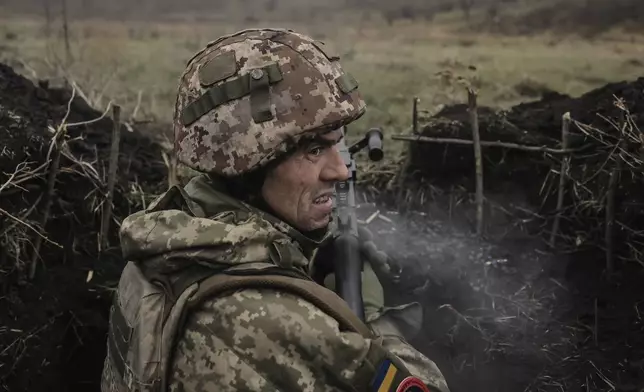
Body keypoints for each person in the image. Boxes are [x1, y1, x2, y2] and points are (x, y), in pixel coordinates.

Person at [101, 28, 450, 392]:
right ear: (249, 166)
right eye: (313, 150)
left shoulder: (168, 247)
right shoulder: (273, 318)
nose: (340, 170)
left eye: (338, 143)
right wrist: (368, 318)